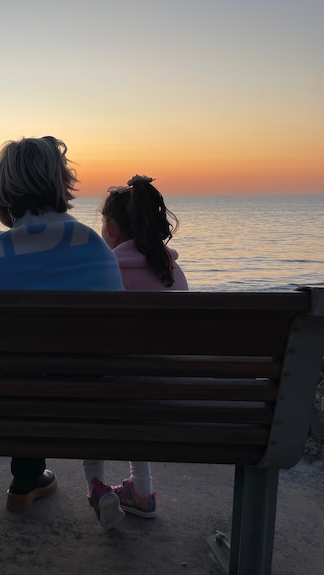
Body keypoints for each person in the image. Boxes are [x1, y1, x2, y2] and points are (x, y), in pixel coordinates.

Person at [0, 136, 124, 526]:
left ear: (4, 190)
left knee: (18, 372)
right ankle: (32, 477)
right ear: (60, 184)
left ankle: (26, 476)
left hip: (2, 407)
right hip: (89, 406)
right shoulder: (95, 247)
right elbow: (116, 341)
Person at [85, 174, 189, 521]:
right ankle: (141, 491)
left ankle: (96, 488)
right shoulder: (173, 273)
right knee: (138, 382)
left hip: (104, 399)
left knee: (95, 388)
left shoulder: (101, 273)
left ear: (111, 229)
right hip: (165, 397)